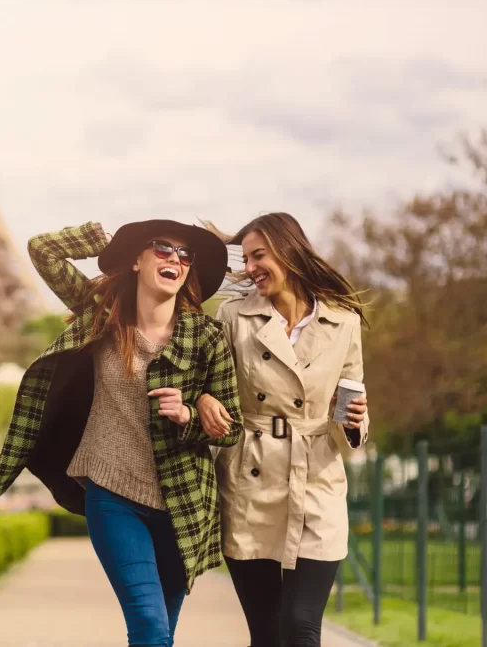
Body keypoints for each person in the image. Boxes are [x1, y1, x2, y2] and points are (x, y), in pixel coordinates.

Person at [0, 219, 244, 647]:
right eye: (162, 249)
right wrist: (101, 241)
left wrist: (189, 414)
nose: (175, 260)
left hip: (182, 502)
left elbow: (230, 427)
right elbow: (42, 249)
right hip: (111, 494)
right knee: (148, 624)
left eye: (185, 255)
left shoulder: (207, 337)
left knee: (161, 632)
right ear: (136, 261)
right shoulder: (103, 316)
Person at [194, 212, 370, 647]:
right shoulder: (235, 316)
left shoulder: (343, 320)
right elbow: (206, 381)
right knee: (268, 631)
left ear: (289, 252)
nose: (250, 267)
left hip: (317, 479)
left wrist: (354, 419)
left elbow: (352, 397)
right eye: (247, 258)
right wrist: (202, 399)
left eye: (259, 256)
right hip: (250, 477)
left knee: (301, 622)